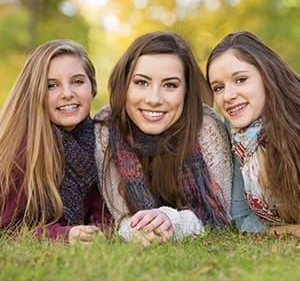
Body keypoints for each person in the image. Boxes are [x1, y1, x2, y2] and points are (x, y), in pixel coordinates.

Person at [94, 31, 232, 246]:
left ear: (186, 91)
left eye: (170, 85)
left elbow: (220, 212)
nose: (154, 99)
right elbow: (120, 215)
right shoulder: (107, 127)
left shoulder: (206, 128)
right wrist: (139, 231)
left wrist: (172, 222)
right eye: (141, 82)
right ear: (124, 85)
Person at [0, 39, 112, 244]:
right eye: (52, 85)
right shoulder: (22, 148)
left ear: (92, 88)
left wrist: (97, 229)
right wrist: (63, 235)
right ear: (35, 93)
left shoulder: (97, 140)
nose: (67, 94)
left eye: (77, 81)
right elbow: (6, 228)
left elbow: (101, 209)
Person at [206, 30, 300, 237]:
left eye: (240, 80)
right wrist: (291, 231)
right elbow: (241, 217)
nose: (228, 96)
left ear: (267, 75)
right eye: (218, 87)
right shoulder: (239, 136)